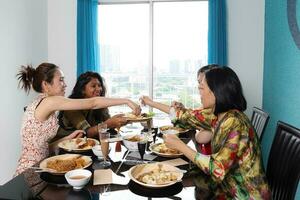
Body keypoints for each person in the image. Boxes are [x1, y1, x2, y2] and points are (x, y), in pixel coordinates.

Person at [141, 66, 270, 199]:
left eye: (202, 88)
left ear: (217, 91)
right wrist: (151, 103)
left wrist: (180, 146)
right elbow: (184, 116)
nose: (199, 92)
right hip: (226, 187)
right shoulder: (218, 114)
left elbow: (217, 169)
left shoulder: (235, 122)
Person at [15, 63, 140, 176]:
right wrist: (126, 100)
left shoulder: (42, 103)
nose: (65, 84)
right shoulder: (50, 102)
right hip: (31, 171)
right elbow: (93, 103)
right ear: (46, 84)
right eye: (61, 80)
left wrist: (67, 139)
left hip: (43, 166)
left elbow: (42, 147)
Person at [55, 71, 127, 140]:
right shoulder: (72, 107)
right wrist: (108, 124)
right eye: (93, 86)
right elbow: (86, 133)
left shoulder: (100, 105)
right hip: (67, 146)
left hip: (90, 145)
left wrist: (120, 121)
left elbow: (107, 125)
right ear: (82, 90)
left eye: (99, 85)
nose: (99, 89)